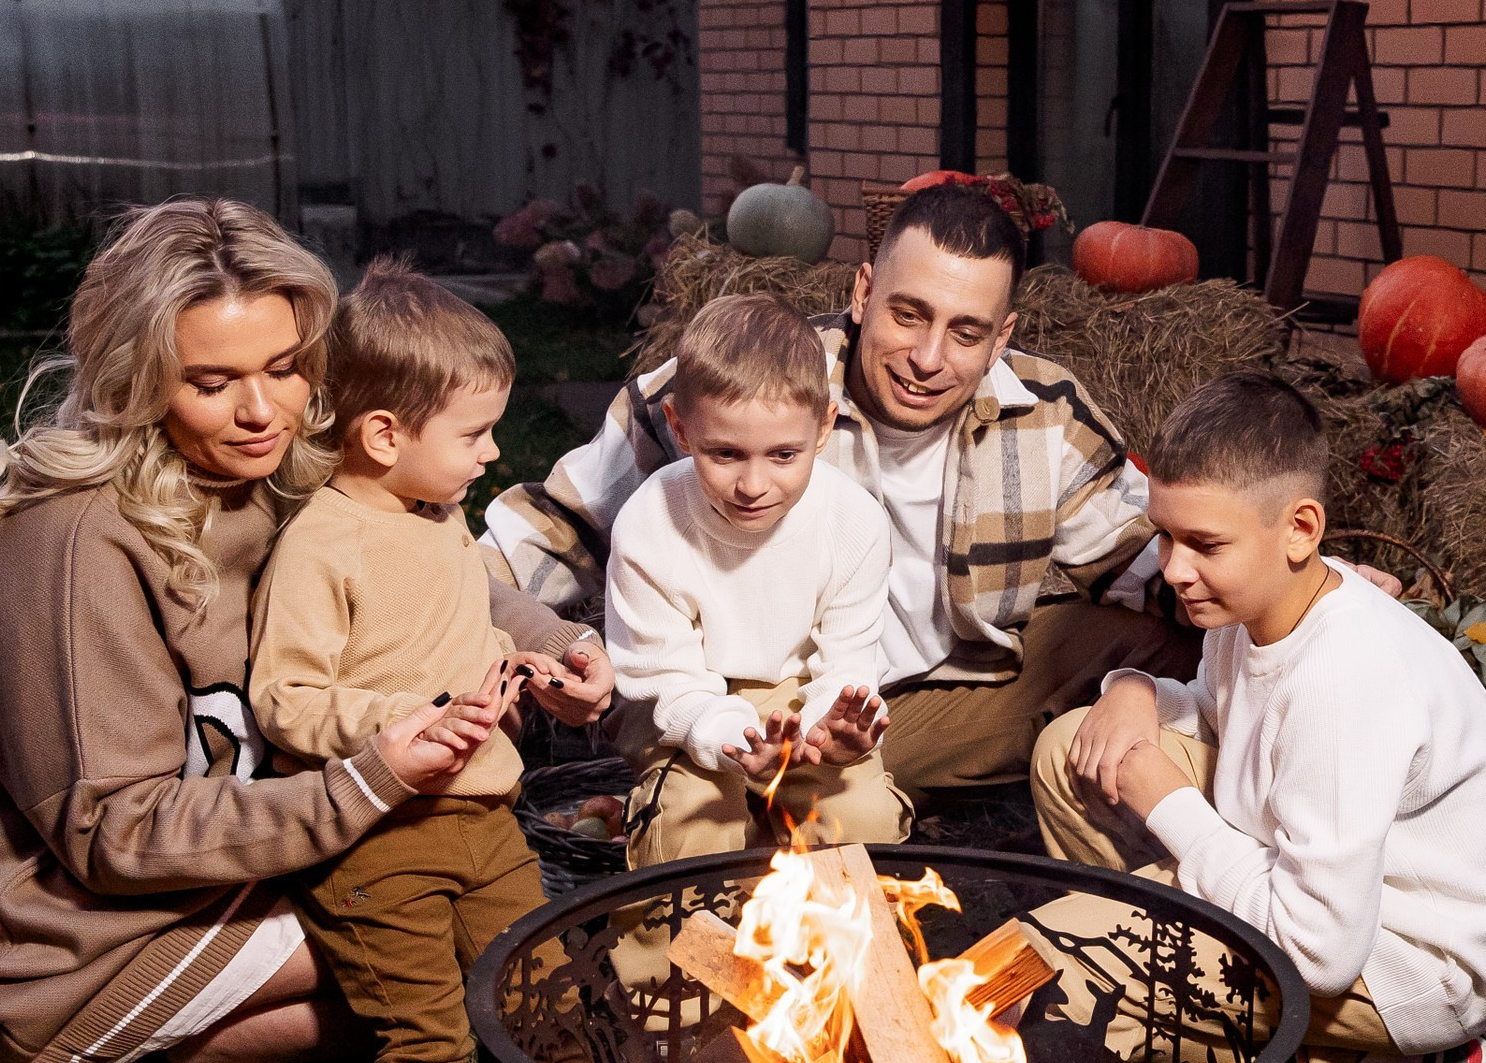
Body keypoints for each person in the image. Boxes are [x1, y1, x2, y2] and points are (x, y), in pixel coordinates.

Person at [0, 201, 612, 1063]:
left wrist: (555, 644)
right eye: (212, 382)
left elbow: (445, 575)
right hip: (42, 928)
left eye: (288, 367)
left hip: (215, 849)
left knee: (478, 932)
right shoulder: (70, 549)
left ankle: (231, 1055)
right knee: (427, 957)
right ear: (135, 374)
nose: (265, 410)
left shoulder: (289, 467)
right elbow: (110, 831)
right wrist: (361, 784)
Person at [485, 183, 1200, 791]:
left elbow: (1166, 564)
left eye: (965, 332)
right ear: (863, 291)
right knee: (735, 774)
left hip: (940, 703)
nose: (927, 358)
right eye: (908, 313)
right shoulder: (752, 384)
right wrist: (465, 617)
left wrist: (1294, 613)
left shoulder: (1045, 418)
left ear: (1002, 336)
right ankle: (772, 788)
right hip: (758, 702)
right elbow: (543, 528)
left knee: (1150, 639)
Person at [1030, 372, 1486, 1063]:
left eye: (1204, 544)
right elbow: (1226, 714)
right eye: (1163, 536)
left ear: (1300, 528)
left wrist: (1169, 808)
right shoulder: (1260, 603)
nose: (1175, 570)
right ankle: (1233, 1031)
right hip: (1302, 876)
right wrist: (1133, 688)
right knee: (1069, 753)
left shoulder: (1346, 680)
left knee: (1077, 980)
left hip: (1404, 953)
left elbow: (1323, 947)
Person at [247, 261, 611, 1063]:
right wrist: (394, 730)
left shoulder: (435, 512)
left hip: (487, 822)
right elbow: (287, 701)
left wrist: (531, 664)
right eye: (474, 433)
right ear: (380, 436)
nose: (495, 451)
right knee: (429, 1037)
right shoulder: (322, 546)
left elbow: (465, 618)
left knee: (543, 988)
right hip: (381, 841)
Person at [601, 294, 902, 865]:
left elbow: (847, 657)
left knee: (861, 818)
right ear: (680, 429)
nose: (753, 485)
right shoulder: (649, 523)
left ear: (824, 428)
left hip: (795, 695)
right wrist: (727, 737)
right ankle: (674, 952)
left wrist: (830, 728)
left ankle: (836, 949)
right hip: (679, 700)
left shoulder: (855, 521)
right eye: (726, 454)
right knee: (690, 824)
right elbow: (661, 675)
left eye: (783, 454)